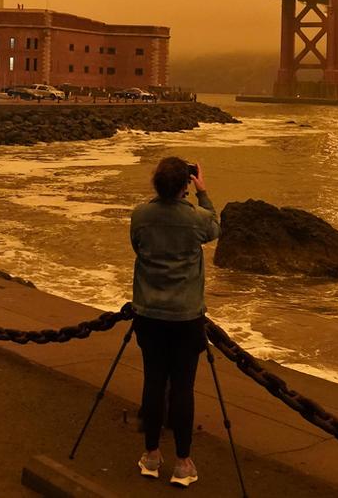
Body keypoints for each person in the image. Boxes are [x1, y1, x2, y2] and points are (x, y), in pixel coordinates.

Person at [130, 157, 219, 488]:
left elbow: (137, 246)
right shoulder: (196, 218)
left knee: (153, 382)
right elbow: (215, 227)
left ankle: (151, 456)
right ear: (186, 184)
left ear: (156, 183)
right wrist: (203, 192)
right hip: (186, 317)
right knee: (183, 387)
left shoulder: (141, 215)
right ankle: (183, 462)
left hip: (149, 315)